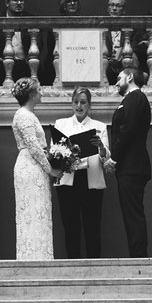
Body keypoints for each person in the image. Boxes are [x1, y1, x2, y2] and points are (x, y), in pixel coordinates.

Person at [53, 87, 110, 259]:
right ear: (71, 103)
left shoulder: (99, 126)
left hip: (91, 180)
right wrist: (65, 154)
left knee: (92, 228)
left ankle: (94, 268)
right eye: (76, 102)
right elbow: (54, 152)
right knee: (71, 228)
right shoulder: (61, 124)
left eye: (83, 102)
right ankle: (73, 268)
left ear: (89, 105)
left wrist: (100, 146)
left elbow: (106, 158)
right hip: (68, 181)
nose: (79, 106)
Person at [11, 78, 63, 260]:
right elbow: (33, 146)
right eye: (39, 90)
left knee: (39, 211)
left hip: (34, 165)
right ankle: (31, 257)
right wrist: (50, 169)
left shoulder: (29, 115)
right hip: (30, 166)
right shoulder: (23, 115)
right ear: (32, 95)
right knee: (31, 212)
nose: (41, 93)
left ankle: (40, 255)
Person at [103, 67, 151, 258]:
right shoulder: (131, 100)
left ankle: (139, 258)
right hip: (129, 167)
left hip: (132, 167)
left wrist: (114, 158)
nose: (116, 82)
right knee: (131, 215)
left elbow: (127, 131)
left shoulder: (136, 98)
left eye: (119, 78)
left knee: (133, 215)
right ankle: (137, 255)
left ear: (130, 76)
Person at [0, 0, 38, 85]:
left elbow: (38, 42)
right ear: (7, 3)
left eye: (21, 0)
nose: (19, 3)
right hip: (2, 65)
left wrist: (29, 57)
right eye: (15, 0)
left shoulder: (31, 19)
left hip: (25, 64)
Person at [104, 0, 146, 85]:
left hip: (125, 60)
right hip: (107, 62)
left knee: (132, 55)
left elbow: (134, 46)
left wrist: (121, 55)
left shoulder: (131, 28)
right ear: (108, 9)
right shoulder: (101, 27)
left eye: (118, 6)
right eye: (112, 5)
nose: (114, 8)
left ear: (124, 10)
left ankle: (132, 84)